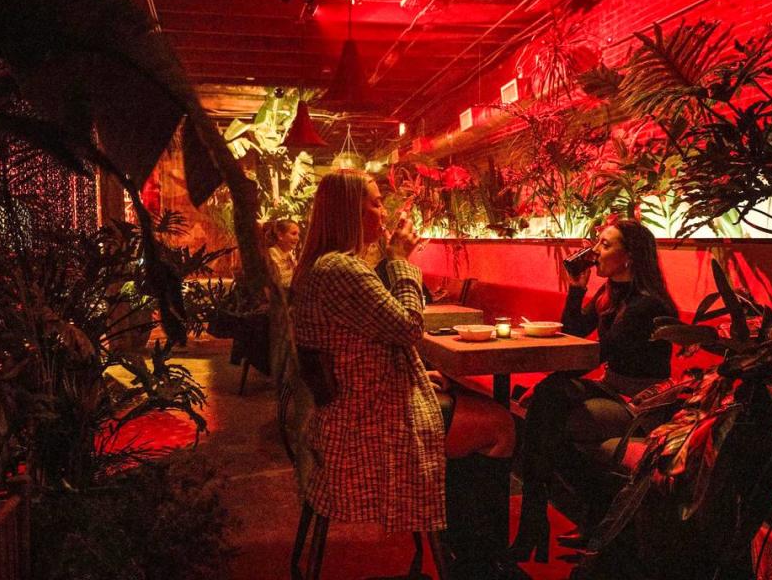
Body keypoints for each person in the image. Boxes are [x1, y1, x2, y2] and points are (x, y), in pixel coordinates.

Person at [289, 170, 525, 579]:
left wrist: (414, 377)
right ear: (351, 213)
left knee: (467, 411)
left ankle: (461, 547)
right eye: (376, 203)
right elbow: (409, 327)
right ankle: (479, 562)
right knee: (499, 424)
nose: (383, 213)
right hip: (370, 426)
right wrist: (399, 262)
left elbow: (363, 346)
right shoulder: (342, 270)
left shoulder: (318, 268)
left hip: (344, 414)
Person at [508, 218, 679, 563]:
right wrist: (576, 287)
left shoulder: (646, 305)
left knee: (546, 415)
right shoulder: (610, 292)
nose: (595, 251)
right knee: (546, 412)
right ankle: (566, 514)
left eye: (605, 244)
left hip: (640, 405)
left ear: (629, 256)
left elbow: (592, 356)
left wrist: (543, 386)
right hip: (611, 389)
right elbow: (572, 335)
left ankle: (539, 519)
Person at [264, 218, 300, 290]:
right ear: (280, 235)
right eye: (293, 234)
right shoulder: (272, 255)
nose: (297, 238)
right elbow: (279, 284)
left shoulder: (289, 254)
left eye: (298, 234)